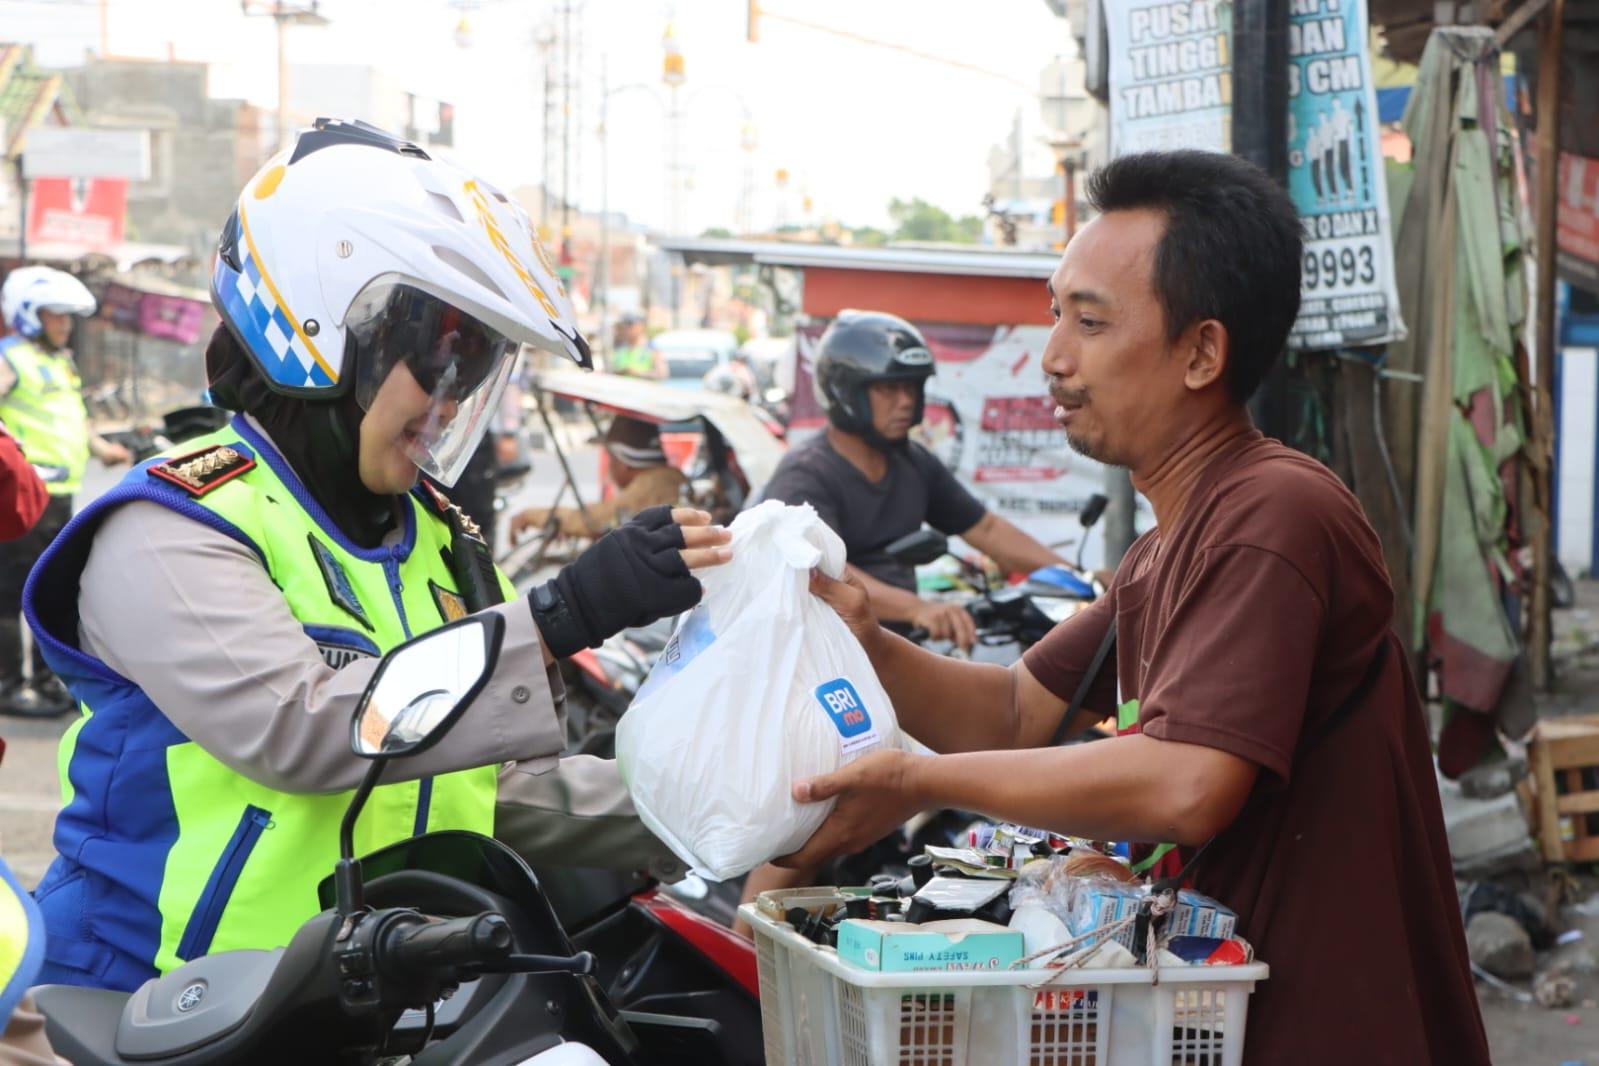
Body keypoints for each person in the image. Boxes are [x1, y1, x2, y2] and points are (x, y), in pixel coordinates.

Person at [780, 151, 1488, 1064]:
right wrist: (865, 637)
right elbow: (1014, 712)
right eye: (1055, 315)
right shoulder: (1164, 547)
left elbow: (1185, 786)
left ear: (1201, 353)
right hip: (1217, 1016)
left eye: (1089, 322)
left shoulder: (1273, 513)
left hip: (1325, 1023)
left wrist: (917, 783)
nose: (1054, 357)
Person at [21, 118, 731, 993]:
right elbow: (301, 727)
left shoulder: (433, 541)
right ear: (322, 326)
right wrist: (561, 616)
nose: (452, 401)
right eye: (438, 359)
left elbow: (492, 786)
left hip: (351, 1001)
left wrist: (734, 805)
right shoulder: (173, 526)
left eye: (475, 369)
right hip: (147, 998)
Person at [762, 310, 1066, 652]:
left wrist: (1073, 576)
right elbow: (821, 572)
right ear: (845, 391)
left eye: (911, 387)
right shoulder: (806, 474)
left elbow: (986, 529)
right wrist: (915, 608)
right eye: (888, 388)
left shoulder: (913, 461)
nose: (906, 401)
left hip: (895, 646)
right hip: (825, 653)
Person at [0, 267, 133, 717]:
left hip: (59, 495)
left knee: (50, 591)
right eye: (55, 315)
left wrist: (105, 449)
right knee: (9, 593)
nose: (65, 324)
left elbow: (73, 418)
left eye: (66, 316)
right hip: (21, 497)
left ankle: (47, 681)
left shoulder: (62, 362)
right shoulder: (10, 359)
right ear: (29, 314)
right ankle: (7, 685)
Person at [510, 415, 688, 541]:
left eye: (611, 458)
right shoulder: (669, 477)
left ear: (622, 462)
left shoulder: (649, 485)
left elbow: (592, 520)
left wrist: (529, 516)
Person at [607, 313, 666, 379]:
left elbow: (661, 374)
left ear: (641, 326)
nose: (625, 329)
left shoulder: (651, 349)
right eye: (623, 326)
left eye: (629, 324)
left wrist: (636, 373)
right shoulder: (619, 349)